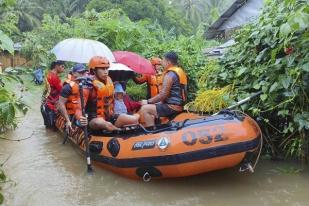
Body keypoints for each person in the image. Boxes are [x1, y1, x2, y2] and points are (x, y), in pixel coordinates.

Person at [76, 56, 139, 131]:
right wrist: (80, 117)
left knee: (132, 119)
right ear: (94, 70)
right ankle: (118, 131)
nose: (106, 71)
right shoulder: (88, 86)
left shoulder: (109, 81)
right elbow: (78, 108)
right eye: (102, 69)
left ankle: (113, 129)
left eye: (107, 68)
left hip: (109, 116)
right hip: (93, 119)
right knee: (101, 123)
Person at [139, 51, 188, 127]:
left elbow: (163, 95)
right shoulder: (179, 71)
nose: (162, 63)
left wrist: (148, 101)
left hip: (172, 107)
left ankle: (152, 132)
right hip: (178, 105)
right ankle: (158, 125)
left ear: (168, 62)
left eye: (163, 60)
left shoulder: (170, 75)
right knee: (155, 104)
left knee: (145, 109)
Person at [58, 63, 88, 132]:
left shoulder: (86, 84)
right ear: (74, 73)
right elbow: (61, 104)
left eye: (84, 72)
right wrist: (68, 121)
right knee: (82, 123)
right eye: (80, 72)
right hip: (72, 114)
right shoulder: (67, 87)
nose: (83, 74)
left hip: (81, 112)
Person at [41, 60, 65, 128]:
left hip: (46, 101)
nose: (63, 68)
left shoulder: (48, 74)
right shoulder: (54, 77)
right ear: (56, 66)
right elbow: (62, 90)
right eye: (62, 66)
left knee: (48, 125)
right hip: (52, 103)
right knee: (52, 125)